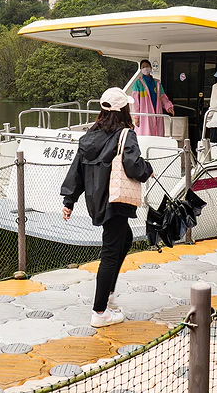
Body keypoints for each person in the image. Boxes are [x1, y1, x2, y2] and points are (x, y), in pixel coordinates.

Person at [61, 87, 154, 327]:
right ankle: (99, 311)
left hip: (98, 201)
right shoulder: (125, 134)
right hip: (116, 201)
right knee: (110, 254)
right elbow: (134, 167)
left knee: (125, 239)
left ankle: (109, 292)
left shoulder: (89, 136)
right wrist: (147, 169)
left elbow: (76, 170)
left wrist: (69, 201)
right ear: (123, 110)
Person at [130, 60, 174, 136]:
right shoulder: (138, 83)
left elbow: (163, 97)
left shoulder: (157, 83)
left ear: (150, 68)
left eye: (147, 66)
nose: (145, 68)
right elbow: (135, 102)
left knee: (157, 134)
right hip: (144, 113)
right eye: (143, 67)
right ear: (140, 69)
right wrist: (136, 117)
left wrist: (168, 106)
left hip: (157, 112)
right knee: (146, 134)